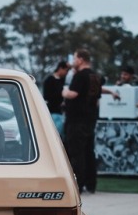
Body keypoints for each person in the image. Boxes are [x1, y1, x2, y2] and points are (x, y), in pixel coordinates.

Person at [62, 49, 103, 194]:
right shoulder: (96, 76)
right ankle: (91, 183)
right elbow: (97, 99)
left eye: (74, 58)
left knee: (76, 153)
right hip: (90, 119)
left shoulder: (80, 76)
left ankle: (77, 184)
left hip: (76, 119)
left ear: (80, 59)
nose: (73, 62)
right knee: (88, 151)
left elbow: (73, 94)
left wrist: (64, 92)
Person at [43, 60, 70, 137]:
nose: (66, 73)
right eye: (66, 70)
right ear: (61, 68)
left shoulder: (61, 80)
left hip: (59, 111)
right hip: (53, 111)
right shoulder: (49, 80)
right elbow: (46, 96)